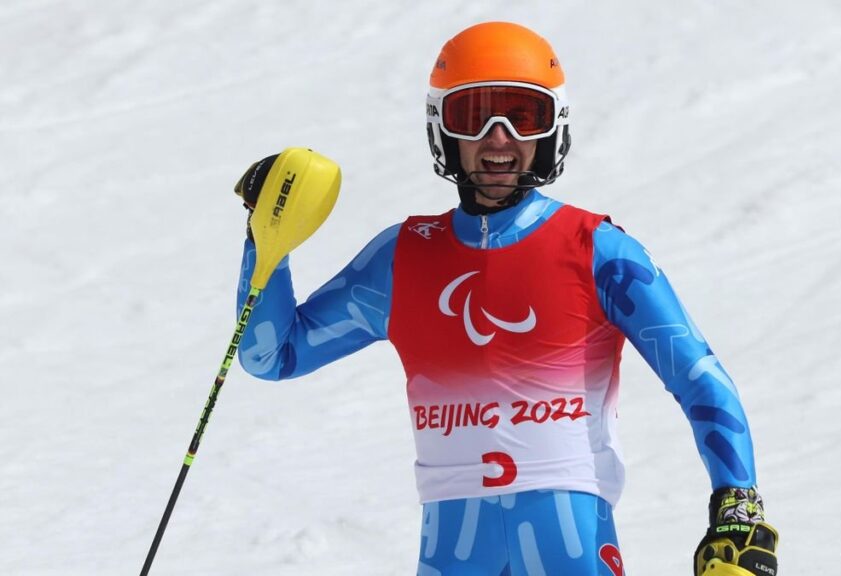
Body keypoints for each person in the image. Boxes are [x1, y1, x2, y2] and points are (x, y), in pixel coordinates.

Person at [233, 21, 779, 576]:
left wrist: (736, 507)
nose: (499, 138)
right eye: (473, 116)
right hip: (453, 546)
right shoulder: (403, 258)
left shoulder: (597, 250)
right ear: (442, 129)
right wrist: (266, 243)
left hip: (570, 540)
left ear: (552, 128)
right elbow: (272, 356)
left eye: (523, 116)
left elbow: (698, 377)